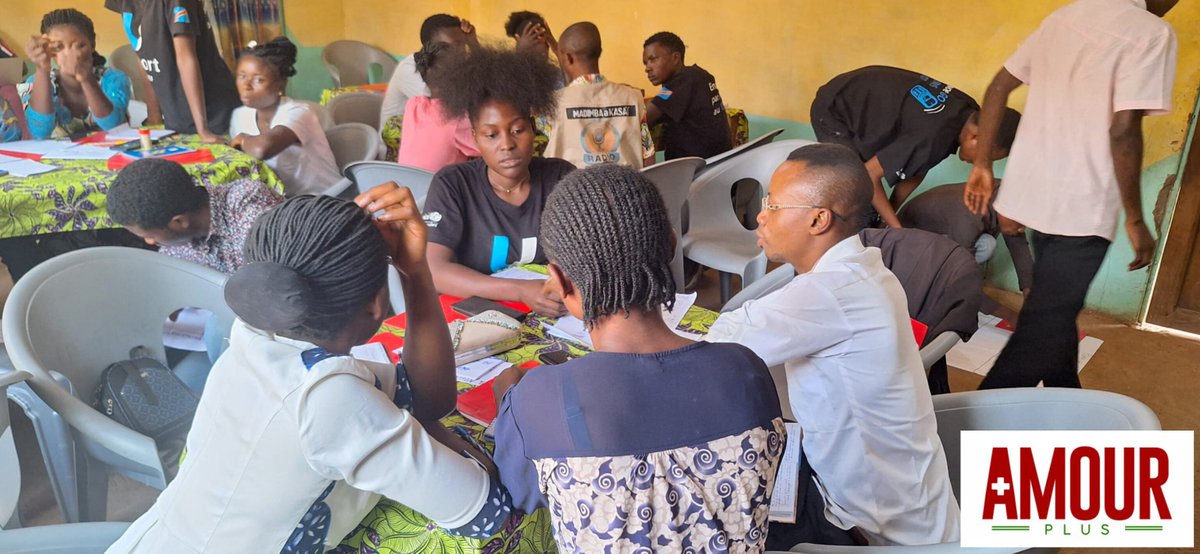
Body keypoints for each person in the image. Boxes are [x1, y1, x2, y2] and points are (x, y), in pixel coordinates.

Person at [106, 185, 513, 552]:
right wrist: (506, 401)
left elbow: (427, 398)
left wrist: (415, 270)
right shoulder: (330, 399)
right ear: (377, 305)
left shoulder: (255, 334)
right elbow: (484, 511)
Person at [492, 164, 784, 552]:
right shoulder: (746, 370)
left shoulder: (538, 398)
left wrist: (508, 401)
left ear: (560, 282)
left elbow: (519, 496)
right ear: (671, 246)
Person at [706, 144, 959, 546]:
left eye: (773, 204)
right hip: (893, 498)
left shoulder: (832, 292)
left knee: (716, 516)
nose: (760, 215)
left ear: (818, 219)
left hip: (869, 527)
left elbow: (717, 347)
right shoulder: (863, 269)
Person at [964, 0, 1178, 389]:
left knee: (1054, 312)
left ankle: (1066, 394)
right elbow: (1123, 130)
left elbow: (999, 86)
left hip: (1036, 197)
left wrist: (982, 163)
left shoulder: (1067, 15)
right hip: (1083, 208)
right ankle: (976, 431)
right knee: (1037, 337)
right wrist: (1134, 218)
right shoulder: (1151, 32)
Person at [422, 47, 575, 316]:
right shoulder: (453, 185)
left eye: (518, 130)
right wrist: (519, 291)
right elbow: (434, 270)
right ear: (474, 137)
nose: (507, 144)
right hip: (478, 319)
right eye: (491, 135)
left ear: (532, 128)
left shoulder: (560, 178)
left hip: (556, 316)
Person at [810, 65, 1021, 229]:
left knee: (873, 209)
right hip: (836, 108)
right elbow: (868, 175)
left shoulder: (966, 111)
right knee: (852, 191)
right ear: (975, 136)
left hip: (858, 100)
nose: (980, 163)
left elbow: (918, 166)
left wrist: (890, 215)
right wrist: (896, 228)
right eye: (986, 156)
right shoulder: (934, 134)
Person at [105, 158, 283, 274]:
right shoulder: (175, 243)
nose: (150, 243)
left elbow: (276, 284)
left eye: (150, 236)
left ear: (180, 221)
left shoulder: (251, 209)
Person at [900, 181, 1034, 325]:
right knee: (958, 278)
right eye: (1021, 223)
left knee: (987, 243)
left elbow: (1020, 251)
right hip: (909, 244)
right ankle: (936, 285)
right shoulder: (971, 213)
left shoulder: (1006, 202)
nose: (1022, 229)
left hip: (943, 234)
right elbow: (963, 282)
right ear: (1005, 210)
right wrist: (1011, 316)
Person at [104, 0, 239, 141]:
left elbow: (186, 59)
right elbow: (141, 52)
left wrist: (203, 129)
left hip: (213, 115)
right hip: (175, 117)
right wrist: (154, 116)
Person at [228, 37, 341, 196]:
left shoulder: (299, 113)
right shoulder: (239, 116)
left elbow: (262, 149)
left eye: (258, 79)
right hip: (282, 200)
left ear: (280, 85)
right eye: (242, 76)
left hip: (325, 198)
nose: (246, 86)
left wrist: (243, 139)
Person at [542, 22, 655, 169]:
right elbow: (648, 155)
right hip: (628, 189)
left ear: (567, 59)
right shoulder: (633, 97)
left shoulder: (552, 104)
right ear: (600, 52)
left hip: (576, 190)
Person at [21, 9, 130, 139]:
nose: (69, 54)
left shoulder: (113, 79)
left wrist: (86, 79)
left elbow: (114, 126)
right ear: (49, 51)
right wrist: (41, 69)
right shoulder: (37, 83)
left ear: (92, 44)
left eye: (79, 46)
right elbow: (39, 132)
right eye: (58, 47)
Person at [379, 13, 478, 130]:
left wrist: (474, 43)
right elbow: (444, 110)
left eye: (462, 44)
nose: (460, 52)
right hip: (397, 141)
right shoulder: (412, 68)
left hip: (432, 131)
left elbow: (485, 84)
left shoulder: (455, 65)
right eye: (453, 46)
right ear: (430, 46)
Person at [642, 31, 732, 160]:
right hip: (716, 166)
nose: (647, 68)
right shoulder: (699, 75)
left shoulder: (684, 80)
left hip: (696, 172)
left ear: (675, 58)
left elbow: (644, 118)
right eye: (645, 63)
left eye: (653, 59)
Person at [395, 41, 479, 172]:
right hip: (438, 189)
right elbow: (489, 148)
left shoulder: (413, 105)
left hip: (407, 186)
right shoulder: (457, 119)